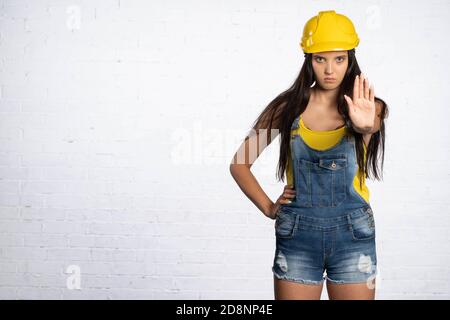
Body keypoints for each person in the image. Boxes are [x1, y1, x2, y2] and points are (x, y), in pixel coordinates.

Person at [229, 10, 389, 300]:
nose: (330, 69)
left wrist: (364, 125)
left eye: (339, 59)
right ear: (308, 60)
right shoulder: (285, 108)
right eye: (320, 59)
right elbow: (239, 164)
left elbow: (369, 125)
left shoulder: (369, 107)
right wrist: (269, 208)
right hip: (298, 235)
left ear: (350, 58)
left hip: (353, 236)